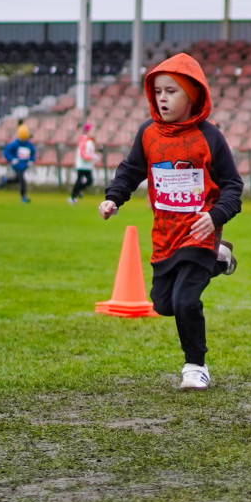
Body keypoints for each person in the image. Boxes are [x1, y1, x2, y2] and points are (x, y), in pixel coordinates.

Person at [99, 52, 242, 391]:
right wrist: (113, 197)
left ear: (192, 94)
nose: (162, 98)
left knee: (185, 301)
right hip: (165, 235)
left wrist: (215, 217)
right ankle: (220, 260)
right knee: (163, 304)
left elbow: (233, 186)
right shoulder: (148, 133)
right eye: (158, 91)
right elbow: (130, 170)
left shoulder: (210, 137)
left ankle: (195, 366)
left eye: (171, 91)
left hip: (200, 233)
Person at [0, 122, 36, 203]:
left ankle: (5, 180)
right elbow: (7, 152)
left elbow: (33, 153)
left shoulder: (29, 145)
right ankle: (24, 197)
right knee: (22, 180)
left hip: (24, 165)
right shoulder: (15, 144)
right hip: (17, 165)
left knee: (17, 179)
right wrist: (12, 159)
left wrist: (31, 160)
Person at [68, 123, 100, 204]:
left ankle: (78, 191)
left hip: (88, 165)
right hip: (82, 165)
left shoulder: (91, 141)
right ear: (87, 131)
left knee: (89, 181)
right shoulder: (84, 140)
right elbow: (83, 154)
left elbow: (91, 151)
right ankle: (72, 197)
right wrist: (93, 157)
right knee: (80, 180)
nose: (94, 133)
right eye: (92, 131)